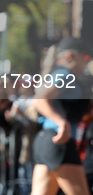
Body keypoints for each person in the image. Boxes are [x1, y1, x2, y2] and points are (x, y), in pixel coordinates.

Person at [31, 36, 92, 195]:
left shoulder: (61, 75)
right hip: (59, 142)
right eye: (85, 58)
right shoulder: (65, 75)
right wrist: (61, 123)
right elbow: (40, 99)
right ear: (71, 56)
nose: (86, 62)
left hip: (46, 141)